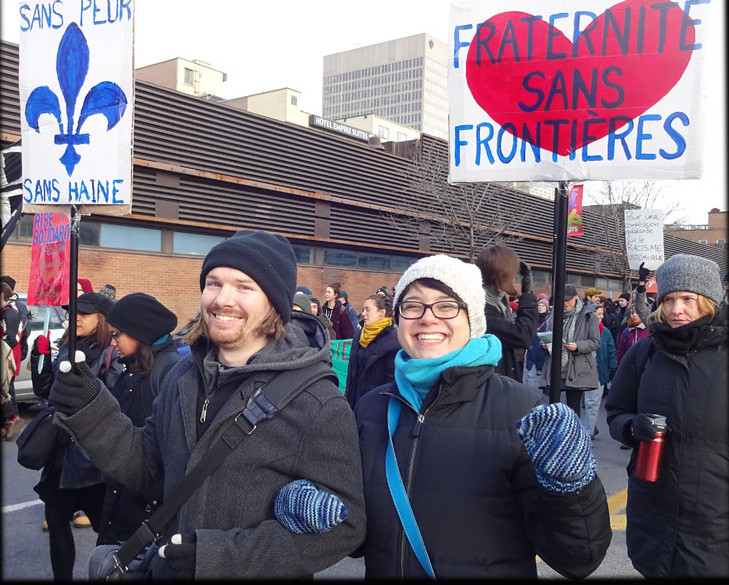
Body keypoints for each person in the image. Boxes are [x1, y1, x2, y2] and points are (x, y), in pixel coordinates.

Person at [48, 230, 366, 579]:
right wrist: (91, 409)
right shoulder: (183, 376)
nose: (222, 299)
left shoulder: (319, 402)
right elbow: (149, 467)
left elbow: (345, 526)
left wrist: (221, 557)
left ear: (274, 301)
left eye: (244, 287)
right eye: (214, 283)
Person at [352, 254, 611, 578]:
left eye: (446, 306)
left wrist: (572, 488)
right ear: (398, 318)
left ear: (472, 319)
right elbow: (357, 538)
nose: (427, 318)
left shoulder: (523, 412)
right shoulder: (371, 408)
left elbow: (578, 558)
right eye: (413, 305)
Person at [605, 254, 728, 578]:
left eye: (688, 299)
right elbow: (616, 412)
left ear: (709, 301)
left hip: (715, 520)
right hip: (654, 513)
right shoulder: (644, 353)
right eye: (669, 299)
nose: (677, 309)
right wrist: (632, 428)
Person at [29, 291, 123, 581]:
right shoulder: (66, 347)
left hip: (95, 462)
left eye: (84, 313)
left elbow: (115, 404)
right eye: (74, 312)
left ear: (102, 319)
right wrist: (39, 357)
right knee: (57, 523)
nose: (77, 317)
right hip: (60, 457)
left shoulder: (111, 353)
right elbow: (44, 392)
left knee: (106, 532)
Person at [95, 292, 182, 546]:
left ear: (140, 331)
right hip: (122, 500)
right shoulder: (132, 366)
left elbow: (171, 452)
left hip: (145, 514)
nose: (112, 343)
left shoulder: (169, 372)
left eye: (116, 335)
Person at [475, 244, 538, 383]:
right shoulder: (481, 306)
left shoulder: (498, 300)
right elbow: (521, 335)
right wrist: (527, 293)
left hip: (500, 378)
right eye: (514, 272)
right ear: (503, 273)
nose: (515, 276)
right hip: (492, 383)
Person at [539, 284, 601, 416]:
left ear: (576, 297)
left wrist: (578, 346)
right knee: (548, 406)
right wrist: (544, 344)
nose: (565, 304)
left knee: (573, 408)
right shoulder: (552, 315)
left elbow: (595, 342)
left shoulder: (588, 316)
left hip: (576, 368)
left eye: (568, 300)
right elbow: (546, 335)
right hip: (553, 367)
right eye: (562, 300)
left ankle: (572, 434)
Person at [344, 293, 400, 410]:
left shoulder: (394, 341)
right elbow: (352, 371)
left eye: (368, 310)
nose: (363, 313)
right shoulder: (359, 335)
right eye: (363, 309)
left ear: (382, 312)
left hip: (376, 407)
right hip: (353, 402)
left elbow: (391, 382)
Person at [587, 305, 617, 439]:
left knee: (592, 403)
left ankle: (588, 432)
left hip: (599, 373)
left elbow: (612, 351)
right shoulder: (581, 331)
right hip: (580, 373)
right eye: (599, 314)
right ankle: (590, 426)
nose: (602, 316)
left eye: (602, 314)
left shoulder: (605, 332)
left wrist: (612, 370)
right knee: (584, 404)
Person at [1, 278, 22, 440]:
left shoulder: (10, 313)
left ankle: (12, 420)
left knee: (7, 390)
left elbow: (12, 338)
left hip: (8, 356)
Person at [523, 297, 550, 388]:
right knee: (530, 375)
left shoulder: (550, 320)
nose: (540, 307)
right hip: (532, 350)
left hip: (544, 352)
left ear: (547, 308)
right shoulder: (532, 319)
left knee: (544, 377)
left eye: (543, 306)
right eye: (539, 305)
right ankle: (529, 396)